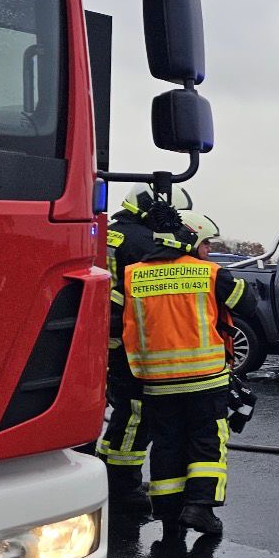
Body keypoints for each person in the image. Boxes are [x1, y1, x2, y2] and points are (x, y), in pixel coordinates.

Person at [122, 211, 255, 535]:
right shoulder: (209, 274)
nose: (209, 249)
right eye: (206, 243)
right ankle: (200, 508)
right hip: (204, 379)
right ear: (191, 241)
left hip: (156, 382)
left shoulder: (131, 275)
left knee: (166, 443)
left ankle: (168, 512)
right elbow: (247, 303)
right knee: (207, 442)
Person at [97, 183, 193, 515]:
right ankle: (121, 484)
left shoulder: (111, 233)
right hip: (128, 340)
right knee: (136, 412)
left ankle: (108, 473)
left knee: (124, 408)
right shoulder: (142, 243)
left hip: (105, 335)